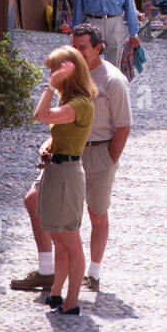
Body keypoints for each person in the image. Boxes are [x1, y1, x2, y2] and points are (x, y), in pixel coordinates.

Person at [10, 23, 132, 296]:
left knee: (96, 213)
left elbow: (124, 127)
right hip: (65, 152)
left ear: (98, 48)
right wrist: (51, 142)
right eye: (73, 47)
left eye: (82, 48)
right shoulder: (69, 75)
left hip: (99, 151)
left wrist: (109, 160)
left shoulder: (112, 80)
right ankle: (46, 269)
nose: (76, 53)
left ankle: (93, 273)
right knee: (34, 200)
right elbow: (60, 118)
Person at [33, 46, 96, 316]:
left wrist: (49, 86)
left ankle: (72, 301)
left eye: (54, 70)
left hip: (67, 176)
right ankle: (56, 292)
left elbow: (40, 115)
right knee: (59, 237)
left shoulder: (80, 103)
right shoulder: (70, 102)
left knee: (70, 240)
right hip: (56, 169)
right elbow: (62, 131)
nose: (51, 74)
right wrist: (50, 144)